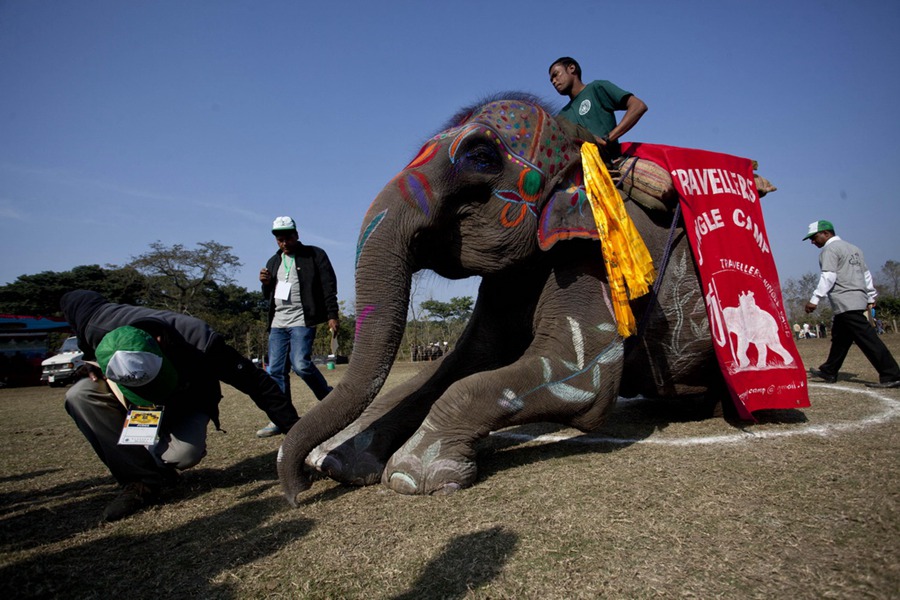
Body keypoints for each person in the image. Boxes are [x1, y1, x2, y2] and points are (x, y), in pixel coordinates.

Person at [60, 290, 300, 522]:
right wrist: (93, 361)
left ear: (160, 343)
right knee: (80, 394)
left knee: (184, 455)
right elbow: (76, 301)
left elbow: (257, 384)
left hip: (188, 397)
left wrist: (300, 436)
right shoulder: (96, 327)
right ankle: (140, 483)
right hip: (142, 405)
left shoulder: (199, 341)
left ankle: (155, 466)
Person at [256, 216, 339, 437]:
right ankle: (282, 419)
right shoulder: (273, 262)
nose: (284, 243)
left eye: (288, 238)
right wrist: (265, 284)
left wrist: (332, 315)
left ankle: (330, 400)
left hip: (302, 319)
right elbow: (268, 296)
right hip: (278, 323)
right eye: (280, 239)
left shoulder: (315, 255)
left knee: (301, 364)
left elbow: (328, 285)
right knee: (276, 371)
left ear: (297, 235)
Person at [803, 220, 900, 388]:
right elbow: (866, 274)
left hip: (845, 300)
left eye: (814, 237)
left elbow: (829, 276)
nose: (812, 241)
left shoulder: (830, 250)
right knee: (840, 338)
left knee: (868, 339)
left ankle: (892, 374)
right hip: (857, 298)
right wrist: (870, 296)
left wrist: (815, 299)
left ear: (826, 233)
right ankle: (829, 370)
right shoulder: (854, 249)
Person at [548, 56, 648, 159]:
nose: (554, 81)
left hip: (613, 161)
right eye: (551, 80)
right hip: (583, 168)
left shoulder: (596, 88)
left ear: (571, 68)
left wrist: (608, 139)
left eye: (556, 75)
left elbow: (638, 106)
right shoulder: (562, 116)